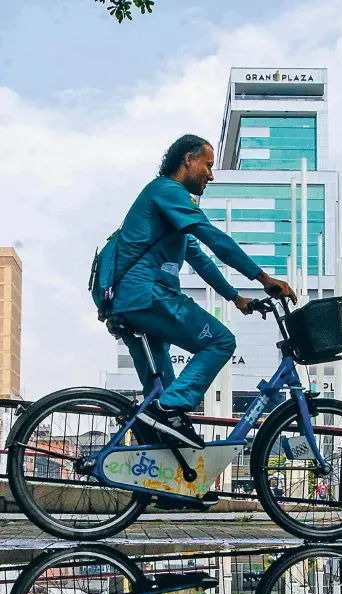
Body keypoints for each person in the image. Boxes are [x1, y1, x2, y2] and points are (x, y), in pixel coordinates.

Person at [92, 134, 296, 448]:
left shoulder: (167, 211)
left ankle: (171, 480)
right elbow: (211, 236)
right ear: (188, 159)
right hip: (145, 294)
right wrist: (263, 277)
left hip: (129, 302)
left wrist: (235, 297)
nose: (211, 175)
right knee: (221, 341)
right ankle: (168, 412)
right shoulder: (167, 191)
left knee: (162, 400)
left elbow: (200, 258)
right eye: (208, 165)